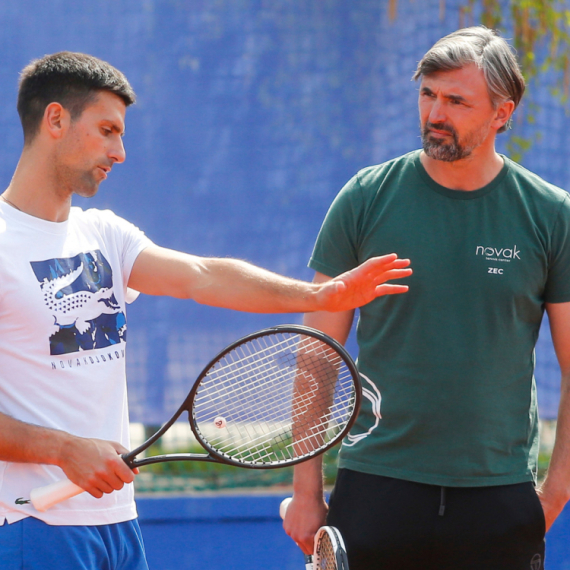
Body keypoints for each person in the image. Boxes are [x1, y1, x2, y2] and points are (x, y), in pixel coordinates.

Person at [0, 52, 412, 570]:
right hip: (30, 526)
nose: (120, 152)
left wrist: (320, 297)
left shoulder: (104, 233)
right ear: (56, 119)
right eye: (107, 131)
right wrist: (62, 449)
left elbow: (202, 275)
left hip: (117, 526)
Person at [283, 26, 570, 570]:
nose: (435, 113)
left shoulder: (551, 215)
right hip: (375, 486)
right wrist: (305, 490)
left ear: (502, 113)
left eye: (456, 101)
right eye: (428, 94)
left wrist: (555, 494)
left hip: (498, 493)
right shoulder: (365, 197)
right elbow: (317, 353)